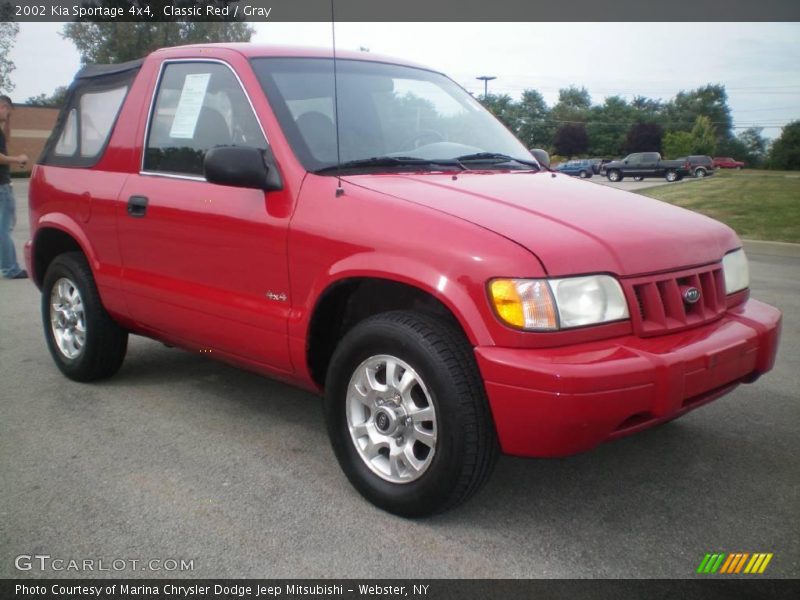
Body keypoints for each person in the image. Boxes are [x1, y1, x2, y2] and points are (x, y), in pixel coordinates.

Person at [0, 94, 29, 279]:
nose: (7, 113)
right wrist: (17, 159)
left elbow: (7, 139)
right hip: (1, 186)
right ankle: (11, 268)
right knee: (4, 228)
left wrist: (6, 120)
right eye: (6, 109)